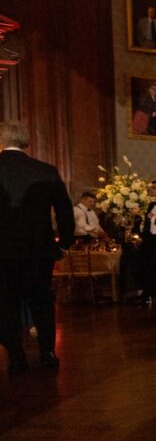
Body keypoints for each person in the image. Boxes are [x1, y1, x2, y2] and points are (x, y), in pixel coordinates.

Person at [0, 121, 75, 372]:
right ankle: (48, 353)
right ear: (26, 142)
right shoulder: (46, 170)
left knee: (6, 303)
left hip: (3, 251)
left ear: (1, 141)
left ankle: (17, 357)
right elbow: (65, 211)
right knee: (41, 301)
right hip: (39, 250)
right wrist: (64, 244)